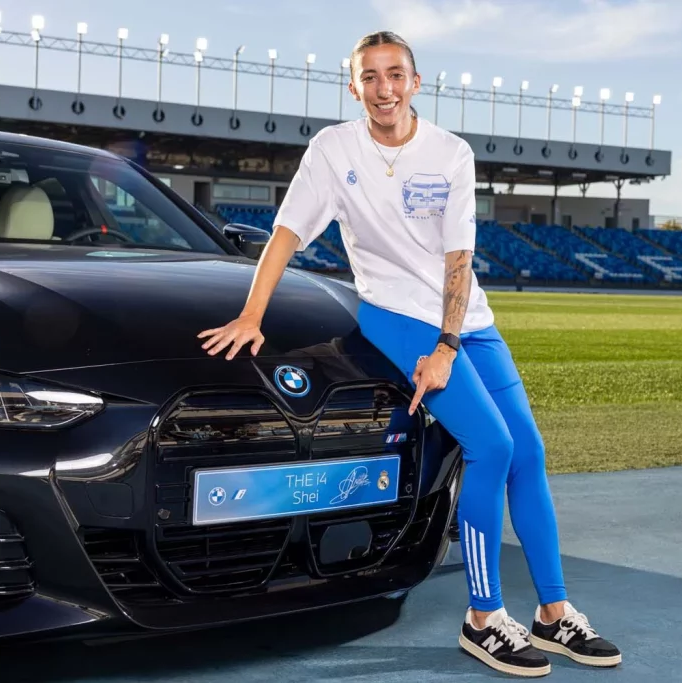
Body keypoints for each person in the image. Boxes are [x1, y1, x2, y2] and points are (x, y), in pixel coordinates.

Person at [196, 30, 621, 677]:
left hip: (466, 319)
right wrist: (252, 313)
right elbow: (286, 232)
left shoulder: (449, 153)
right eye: (370, 76)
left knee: (528, 451)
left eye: (395, 74)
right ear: (354, 87)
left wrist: (450, 343)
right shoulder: (333, 150)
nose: (384, 87)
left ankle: (553, 612)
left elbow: (458, 256)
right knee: (493, 447)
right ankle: (483, 619)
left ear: (416, 82)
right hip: (394, 314)